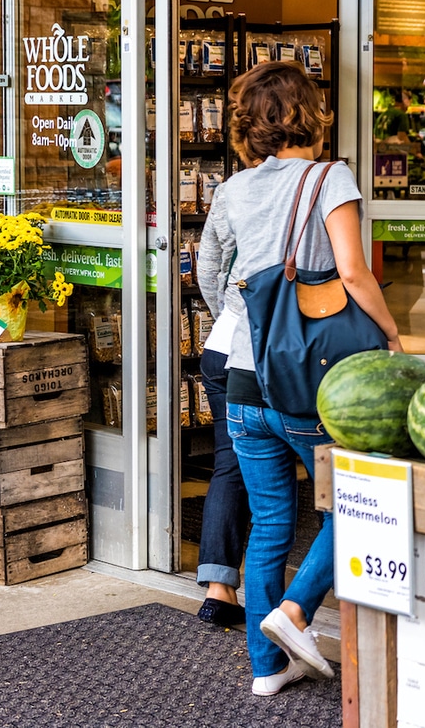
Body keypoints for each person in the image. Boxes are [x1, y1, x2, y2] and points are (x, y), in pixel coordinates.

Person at [198, 60, 402, 698]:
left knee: (268, 525)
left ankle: (267, 669)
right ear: (309, 114)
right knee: (360, 502)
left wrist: (246, 324)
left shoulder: (233, 189)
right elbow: (354, 271)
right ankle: (295, 611)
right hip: (309, 384)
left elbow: (210, 273)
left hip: (244, 379)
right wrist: (393, 334)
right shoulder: (330, 176)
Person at [194, 226, 250, 626]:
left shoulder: (229, 195)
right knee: (285, 474)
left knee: (229, 464)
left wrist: (226, 316)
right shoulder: (305, 194)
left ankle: (218, 590)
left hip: (220, 345)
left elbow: (208, 266)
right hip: (268, 354)